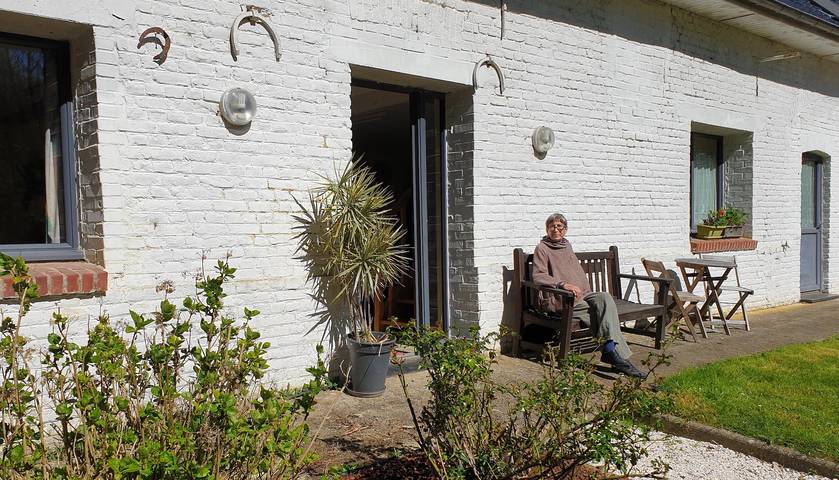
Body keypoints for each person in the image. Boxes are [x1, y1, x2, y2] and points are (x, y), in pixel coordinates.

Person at [532, 213, 645, 378]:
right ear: (547, 229)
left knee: (605, 299)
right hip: (562, 299)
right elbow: (538, 276)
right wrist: (562, 285)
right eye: (552, 226)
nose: (555, 229)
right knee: (599, 314)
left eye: (559, 226)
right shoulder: (542, 248)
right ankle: (613, 354)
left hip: (582, 295)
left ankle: (611, 352)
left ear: (565, 230)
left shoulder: (566, 245)